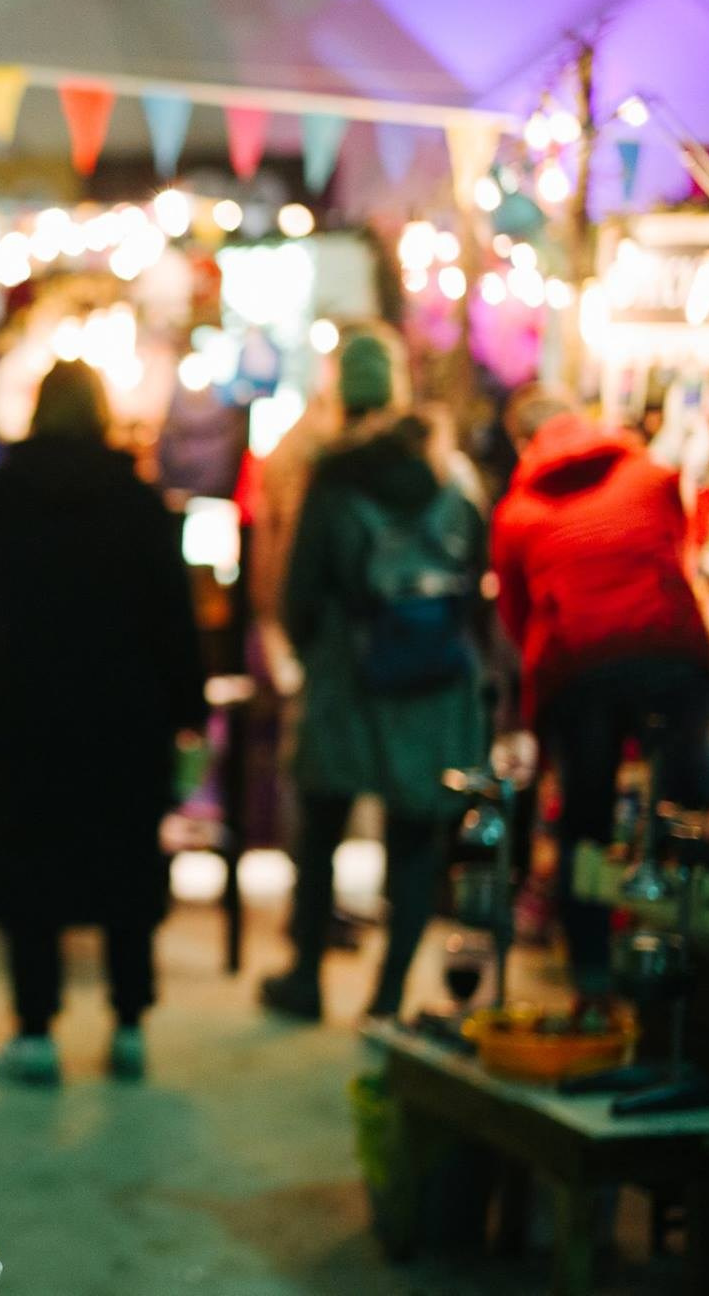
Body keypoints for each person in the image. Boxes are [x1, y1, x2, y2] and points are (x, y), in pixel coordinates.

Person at [0, 360, 205, 1085]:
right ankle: (129, 1023)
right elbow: (173, 614)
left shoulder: (6, 490)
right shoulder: (136, 498)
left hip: (26, 707)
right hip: (124, 713)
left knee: (32, 867)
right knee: (125, 865)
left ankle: (35, 1031)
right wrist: (186, 711)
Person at [260, 334, 487, 1022]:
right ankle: (388, 995)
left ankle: (306, 977)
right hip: (432, 678)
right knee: (414, 837)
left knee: (320, 824)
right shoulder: (452, 473)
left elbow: (298, 591)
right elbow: (477, 576)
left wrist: (311, 650)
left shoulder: (332, 475)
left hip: (346, 675)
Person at [491, 390, 709, 990]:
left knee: (584, 823)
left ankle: (592, 977)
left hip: (582, 669)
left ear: (523, 444)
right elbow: (679, 551)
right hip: (671, 654)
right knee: (692, 810)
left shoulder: (517, 512)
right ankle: (702, 964)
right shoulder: (647, 473)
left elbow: (517, 619)